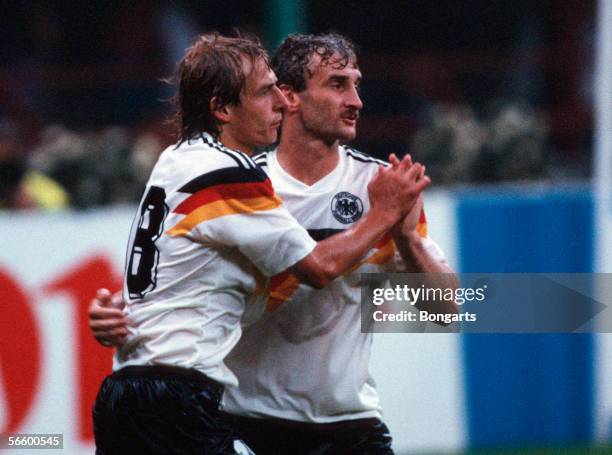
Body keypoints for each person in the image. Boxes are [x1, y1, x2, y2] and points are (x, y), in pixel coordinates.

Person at [91, 32, 429, 455]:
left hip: (347, 423)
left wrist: (408, 238)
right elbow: (318, 268)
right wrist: (382, 215)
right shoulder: (238, 177)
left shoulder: (378, 183)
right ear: (291, 95)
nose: (357, 100)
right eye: (338, 84)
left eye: (356, 84)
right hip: (235, 417)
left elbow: (446, 307)